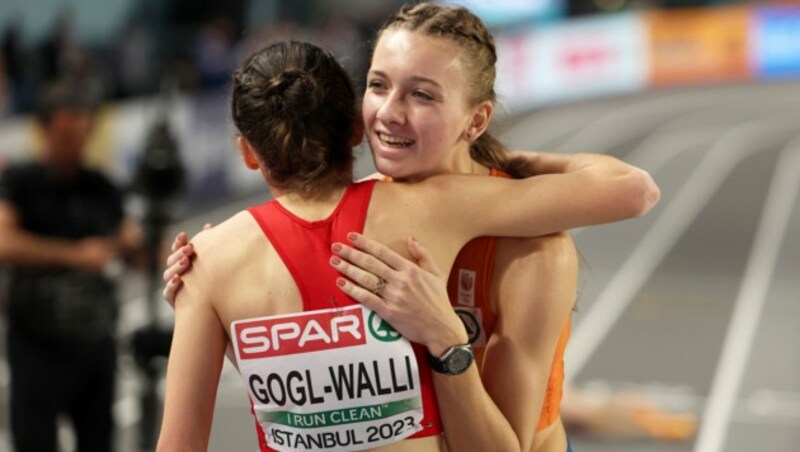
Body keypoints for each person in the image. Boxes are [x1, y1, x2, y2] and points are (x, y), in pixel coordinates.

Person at [161, 3, 663, 452]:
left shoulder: (532, 249)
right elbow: (333, 400)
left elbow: (635, 189)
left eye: (421, 95)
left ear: (475, 120)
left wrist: (446, 339)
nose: (390, 113)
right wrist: (231, 315)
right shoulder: (368, 207)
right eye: (378, 85)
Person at [0, 80, 143, 452]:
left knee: (98, 440)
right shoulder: (20, 183)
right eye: (66, 135)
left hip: (95, 344)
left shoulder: (102, 186)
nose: (75, 144)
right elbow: (4, 242)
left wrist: (137, 243)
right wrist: (75, 255)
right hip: (37, 344)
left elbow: (133, 246)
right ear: (45, 130)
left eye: (82, 134)